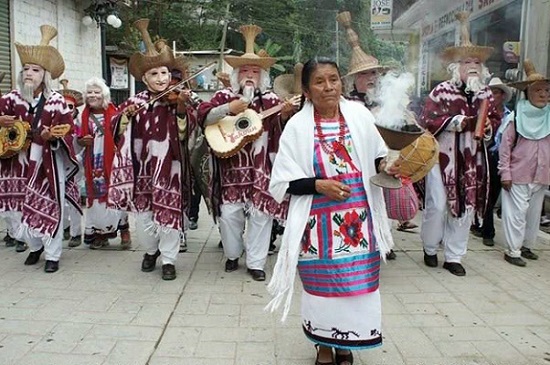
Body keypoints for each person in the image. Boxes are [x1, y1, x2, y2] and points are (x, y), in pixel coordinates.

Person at [266, 57, 397, 365]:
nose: (329, 87)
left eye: (334, 79)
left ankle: (345, 342)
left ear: (342, 82)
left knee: (356, 286)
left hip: (359, 224)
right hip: (316, 227)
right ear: (307, 90)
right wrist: (319, 185)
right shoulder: (297, 127)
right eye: (320, 82)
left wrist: (387, 164)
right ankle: (324, 346)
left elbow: (379, 155)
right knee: (321, 289)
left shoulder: (359, 115)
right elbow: (281, 184)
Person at [197, 24, 293, 281]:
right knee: (229, 216)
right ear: (237, 74)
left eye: (255, 71)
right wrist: (229, 108)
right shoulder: (222, 96)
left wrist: (283, 116)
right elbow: (203, 117)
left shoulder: (273, 101)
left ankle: (256, 263)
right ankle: (232, 254)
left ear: (263, 76)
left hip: (262, 170)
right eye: (245, 71)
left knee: (262, 216)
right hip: (230, 171)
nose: (250, 75)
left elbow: (285, 130)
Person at [107, 19, 192, 280]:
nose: (161, 79)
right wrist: (125, 117)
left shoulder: (180, 98)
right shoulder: (135, 102)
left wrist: (180, 108)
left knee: (168, 214)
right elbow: (114, 129)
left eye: (164, 73)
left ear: (170, 74)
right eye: (154, 74)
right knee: (144, 219)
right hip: (142, 168)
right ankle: (151, 251)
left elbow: (188, 131)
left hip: (170, 167)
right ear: (144, 78)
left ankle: (168, 259)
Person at [419, 12, 499, 276]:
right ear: (456, 67)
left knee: (466, 206)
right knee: (438, 203)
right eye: (467, 61)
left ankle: (454, 256)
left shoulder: (486, 93)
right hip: (442, 157)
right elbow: (428, 120)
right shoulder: (441, 90)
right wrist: (459, 121)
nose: (473, 65)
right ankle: (430, 247)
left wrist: (488, 126)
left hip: (473, 159)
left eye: (477, 61)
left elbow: (494, 120)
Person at [0, 25, 80, 273]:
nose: (28, 73)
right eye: (25, 69)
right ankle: (34, 247)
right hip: (17, 161)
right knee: (22, 206)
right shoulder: (11, 98)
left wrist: (50, 137)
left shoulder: (56, 100)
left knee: (49, 203)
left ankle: (53, 254)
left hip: (47, 160)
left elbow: (68, 130)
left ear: (44, 74)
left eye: (35, 70)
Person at [336, 10, 413, 262]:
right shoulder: (344, 105)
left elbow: (407, 129)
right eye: (363, 75)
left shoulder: (389, 102)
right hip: (354, 164)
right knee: (357, 206)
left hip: (383, 161)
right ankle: (360, 245)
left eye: (372, 74)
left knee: (381, 202)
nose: (369, 79)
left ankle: (384, 243)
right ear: (353, 81)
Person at [499, 60, 550, 267]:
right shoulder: (516, 116)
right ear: (528, 92)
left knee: (533, 214)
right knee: (516, 214)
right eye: (539, 90)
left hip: (542, 173)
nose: (544, 95)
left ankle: (527, 246)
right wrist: (505, 173)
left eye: (547, 90)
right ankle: (512, 251)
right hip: (518, 173)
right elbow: (505, 147)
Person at [76, 77, 126, 250]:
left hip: (112, 161)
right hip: (93, 162)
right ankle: (100, 233)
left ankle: (124, 230)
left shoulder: (114, 114)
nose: (92, 95)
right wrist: (83, 141)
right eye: (89, 92)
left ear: (104, 94)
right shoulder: (83, 116)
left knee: (116, 196)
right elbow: (78, 139)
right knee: (97, 200)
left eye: (96, 92)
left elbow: (123, 136)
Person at [471, 77, 514, 246]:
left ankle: (483, 225)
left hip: (502, 157)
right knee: (484, 192)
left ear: (502, 95)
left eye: (496, 92)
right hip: (484, 155)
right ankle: (487, 230)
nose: (493, 96)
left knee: (493, 192)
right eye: (490, 92)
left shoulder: (510, 116)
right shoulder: (483, 114)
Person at [58, 78, 84, 248]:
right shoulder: (56, 126)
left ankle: (76, 232)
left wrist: (79, 159)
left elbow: (83, 145)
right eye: (63, 106)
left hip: (76, 168)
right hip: (60, 167)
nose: (67, 110)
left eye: (70, 107)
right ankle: (65, 227)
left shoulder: (79, 126)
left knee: (74, 201)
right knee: (61, 200)